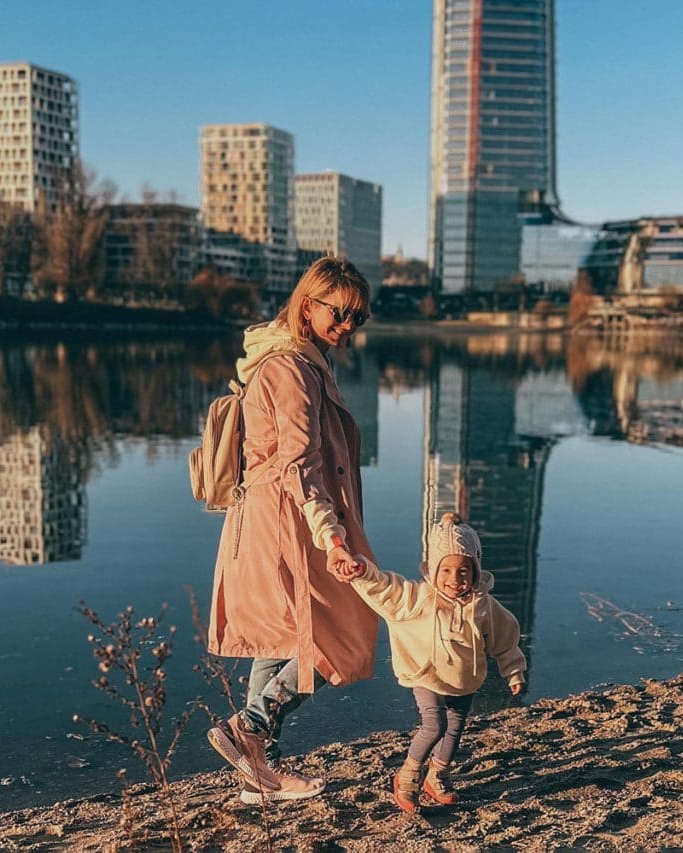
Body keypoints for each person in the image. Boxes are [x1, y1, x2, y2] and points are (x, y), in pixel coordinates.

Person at [205, 257, 379, 804]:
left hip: (266, 514)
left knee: (280, 637)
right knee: (348, 631)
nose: (348, 325)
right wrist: (331, 535)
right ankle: (251, 727)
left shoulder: (294, 361)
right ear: (309, 304)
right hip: (292, 517)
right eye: (340, 312)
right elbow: (299, 463)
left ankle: (262, 775)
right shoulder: (291, 369)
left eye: (358, 317)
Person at [332, 512, 526, 812]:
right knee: (434, 725)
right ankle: (408, 776)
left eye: (463, 571)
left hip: (463, 678)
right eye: (445, 570)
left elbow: (505, 638)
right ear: (433, 570)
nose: (454, 579)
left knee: (455, 727)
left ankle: (437, 775)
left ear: (475, 570)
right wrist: (363, 572)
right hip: (425, 673)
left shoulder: (484, 606)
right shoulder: (418, 598)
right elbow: (386, 588)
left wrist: (513, 671)